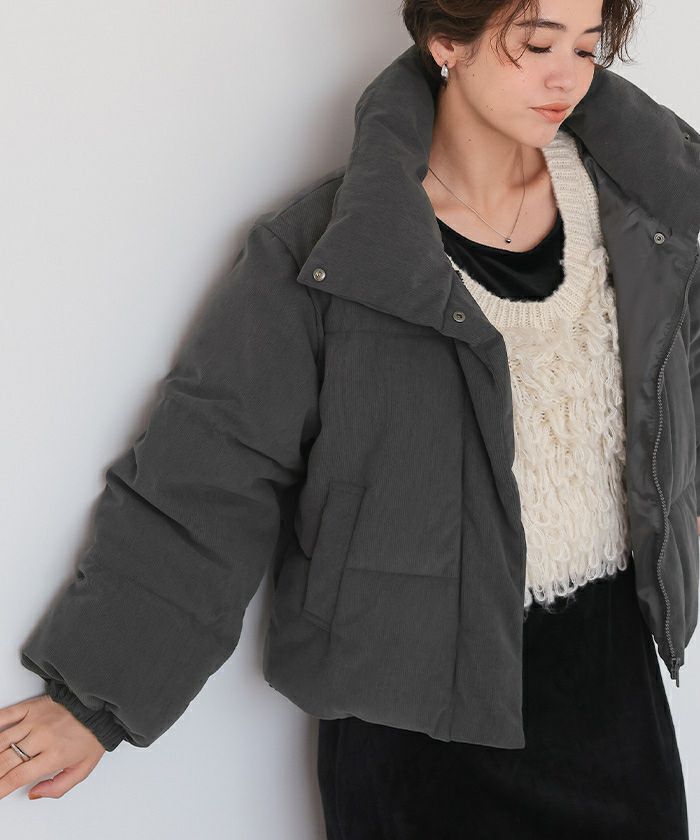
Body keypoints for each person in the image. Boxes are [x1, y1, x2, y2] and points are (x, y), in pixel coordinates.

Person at [1, 0, 698, 835]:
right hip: (411, 721)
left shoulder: (643, 213)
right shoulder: (334, 253)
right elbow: (214, 470)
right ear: (447, 42)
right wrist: (94, 697)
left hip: (611, 690)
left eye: (587, 49)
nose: (568, 78)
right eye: (537, 44)